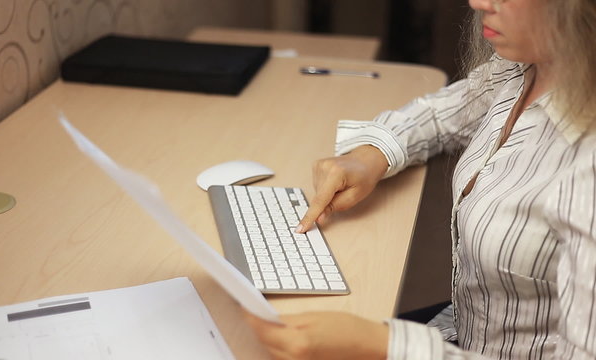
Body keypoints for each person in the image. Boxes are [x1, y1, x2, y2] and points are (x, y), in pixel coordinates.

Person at [243, 0, 596, 358]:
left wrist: (382, 346)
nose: (478, 2)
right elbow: (448, 112)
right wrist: (374, 155)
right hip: (464, 330)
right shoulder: (527, 65)